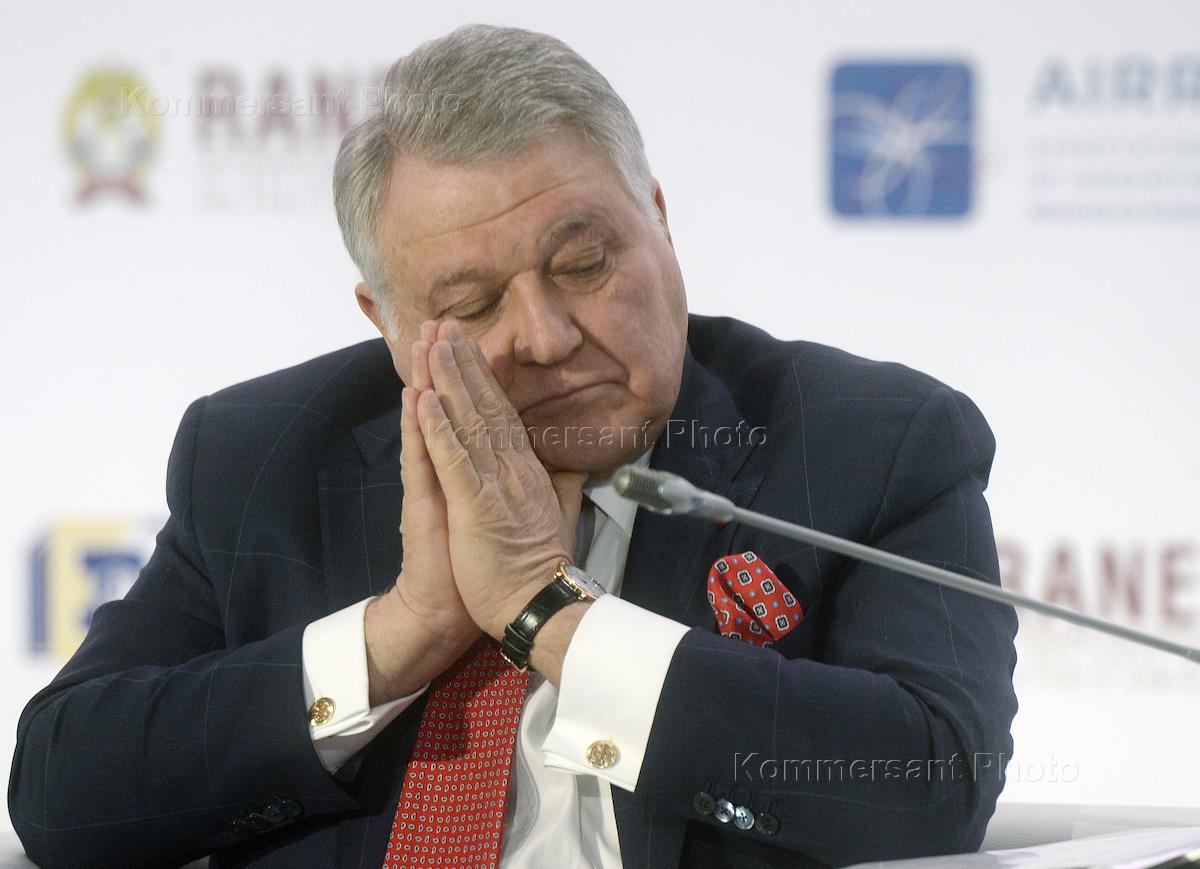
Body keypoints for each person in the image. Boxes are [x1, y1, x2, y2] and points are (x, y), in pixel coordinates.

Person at [8, 24, 1018, 869]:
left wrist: (549, 612)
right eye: (472, 304)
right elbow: (62, 793)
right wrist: (400, 633)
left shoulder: (871, 444)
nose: (545, 335)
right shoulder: (265, 455)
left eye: (585, 262)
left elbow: (933, 782)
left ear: (660, 220)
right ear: (389, 325)